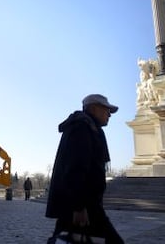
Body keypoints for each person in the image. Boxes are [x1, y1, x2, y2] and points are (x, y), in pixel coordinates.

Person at [45, 94, 124, 244]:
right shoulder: (82, 128)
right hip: (83, 205)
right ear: (93, 108)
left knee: (63, 237)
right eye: (106, 110)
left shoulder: (87, 127)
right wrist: (79, 207)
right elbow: (75, 167)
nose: (109, 115)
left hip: (82, 203)